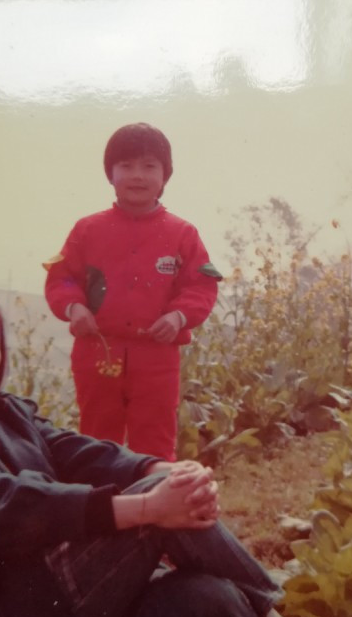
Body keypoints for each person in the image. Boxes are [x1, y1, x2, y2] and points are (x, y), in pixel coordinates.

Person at [0, 283, 352, 617]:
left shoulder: (4, 411)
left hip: (60, 599)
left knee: (206, 596)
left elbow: (78, 451)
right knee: (158, 501)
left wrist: (159, 469)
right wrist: (148, 505)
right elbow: (13, 504)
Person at [43, 122, 221, 461]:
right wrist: (73, 307)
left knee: (155, 441)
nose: (137, 175)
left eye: (149, 166)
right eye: (126, 166)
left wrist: (178, 316)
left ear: (165, 176)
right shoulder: (87, 229)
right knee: (96, 440)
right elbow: (61, 278)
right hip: (97, 351)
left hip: (158, 356)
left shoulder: (183, 233)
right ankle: (100, 495)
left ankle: (154, 496)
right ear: (110, 174)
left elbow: (200, 285)